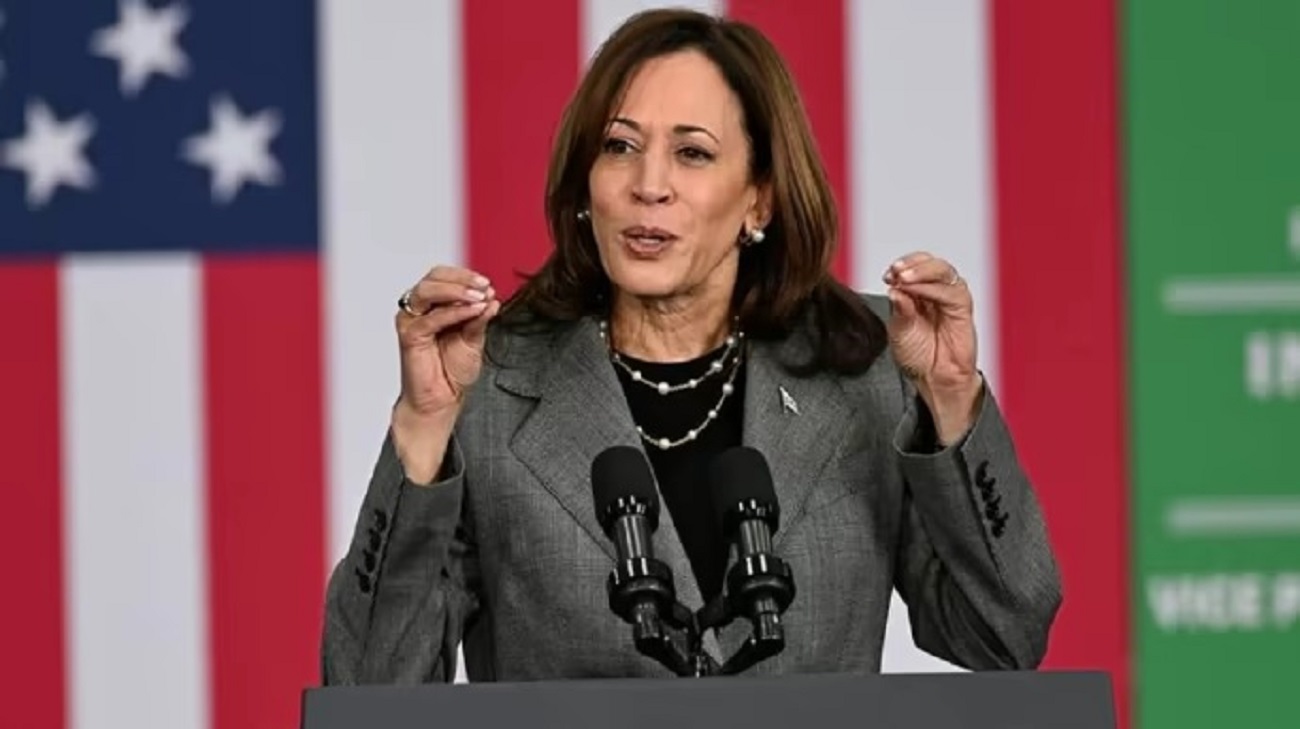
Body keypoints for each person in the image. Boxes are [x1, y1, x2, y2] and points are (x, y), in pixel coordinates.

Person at [321, 7, 1061, 684]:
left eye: (693, 153)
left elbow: (1004, 633)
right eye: (620, 147)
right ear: (586, 185)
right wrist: (423, 427)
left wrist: (952, 401)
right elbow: (366, 683)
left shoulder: (866, 368)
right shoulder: (491, 381)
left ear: (759, 198)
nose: (650, 185)